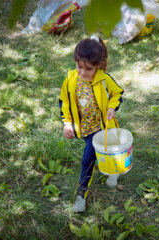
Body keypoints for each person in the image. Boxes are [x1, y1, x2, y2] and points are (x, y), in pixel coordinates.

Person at [59, 35, 124, 212]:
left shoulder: (104, 79)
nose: (82, 72)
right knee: (100, 154)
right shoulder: (71, 79)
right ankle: (107, 175)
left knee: (90, 158)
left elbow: (117, 94)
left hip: (102, 128)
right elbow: (64, 101)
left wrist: (112, 107)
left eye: (88, 68)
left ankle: (82, 194)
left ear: (98, 65)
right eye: (79, 66)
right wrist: (67, 123)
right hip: (85, 129)